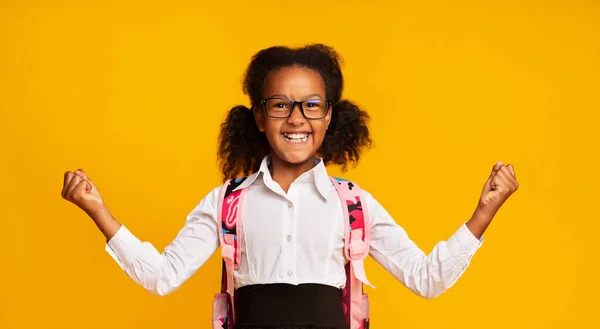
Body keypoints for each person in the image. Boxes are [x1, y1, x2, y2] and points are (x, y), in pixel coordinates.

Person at [61, 44, 519, 329]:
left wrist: (484, 212)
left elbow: (427, 279)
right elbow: (163, 277)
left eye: (311, 105)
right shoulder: (227, 202)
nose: (296, 118)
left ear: (330, 117)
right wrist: (98, 210)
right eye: (280, 104)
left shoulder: (353, 204)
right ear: (259, 118)